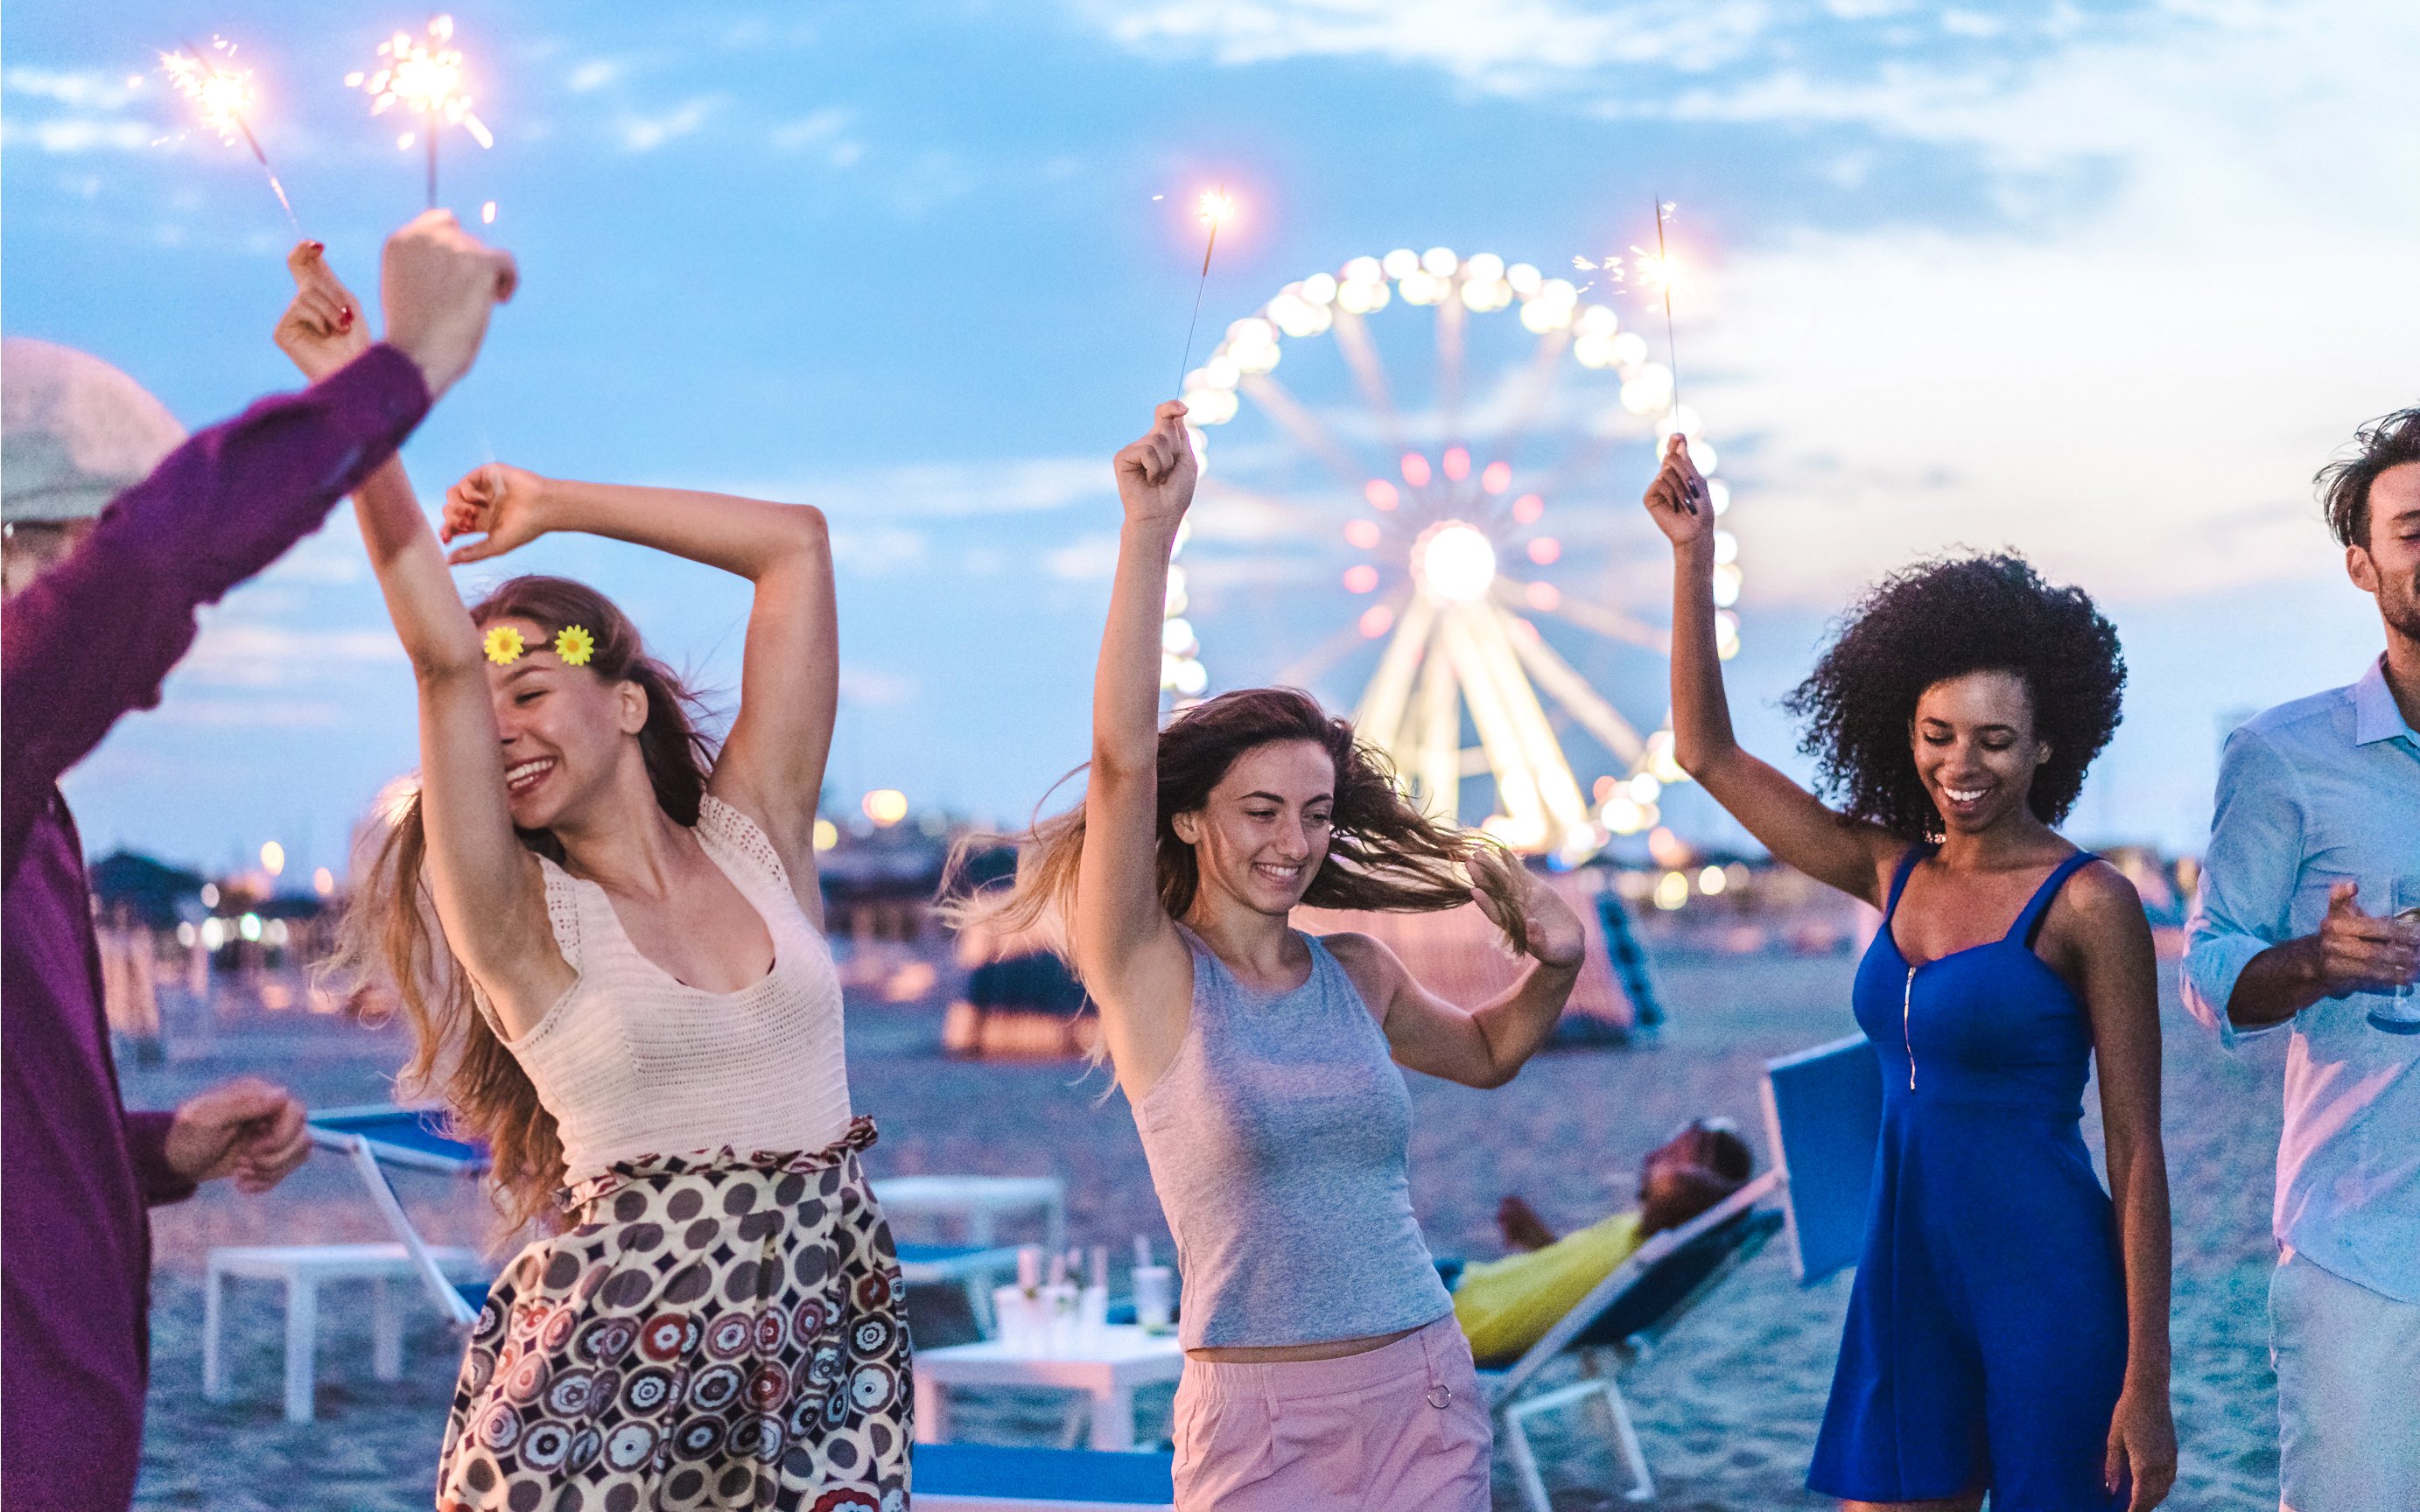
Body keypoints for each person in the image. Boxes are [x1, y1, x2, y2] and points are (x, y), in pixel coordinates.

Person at [275, 253, 907, 1511]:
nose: (498, 724)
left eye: (532, 689)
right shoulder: (521, 922)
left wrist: (556, 504)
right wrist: (357, 395)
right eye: (482, 702)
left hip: (825, 1362)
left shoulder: (755, 841)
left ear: (624, 702)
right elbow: (440, 662)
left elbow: (794, 549)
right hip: (602, 1396)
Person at [959, 402, 1586, 1510]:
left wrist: (1553, 967)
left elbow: (1489, 1054)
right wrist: (1150, 531)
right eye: (1259, 811)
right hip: (1258, 1423)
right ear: (1191, 819)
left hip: (1421, 1392)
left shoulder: (1356, 973)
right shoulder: (1151, 975)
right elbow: (1116, 765)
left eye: (1313, 813)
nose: (1292, 843)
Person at [1, 215, 514, 1512]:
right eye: (71, 556)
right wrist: (400, 371)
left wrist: (163, 1148)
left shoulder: (34, 814)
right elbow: (147, 568)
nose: (153, 686)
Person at [1642, 436, 2176, 1512]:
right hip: (1902, 1276)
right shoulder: (1884, 867)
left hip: (2048, 1284)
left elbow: (2135, 1147)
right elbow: (1705, 755)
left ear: (2041, 750)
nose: (1958, 767)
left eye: (1992, 740)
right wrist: (1691, 559)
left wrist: (2147, 1379)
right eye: (1937, 736)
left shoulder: (2087, 904)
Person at [2182, 405, 2420, 1510]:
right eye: (2414, 529)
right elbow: (2208, 968)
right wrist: (2317, 962)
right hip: (2365, 1251)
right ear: (2361, 565)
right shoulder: (2282, 755)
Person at [1448, 1118, 1753, 1363]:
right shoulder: (1639, 1248)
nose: (1651, 1158)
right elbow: (1576, 1284)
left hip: (1450, 1318)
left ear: (1693, 1187)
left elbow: (1703, 1196)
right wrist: (1542, 1242)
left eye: (1673, 1156)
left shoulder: (1654, 1241)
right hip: (1460, 1285)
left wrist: (1730, 1189)